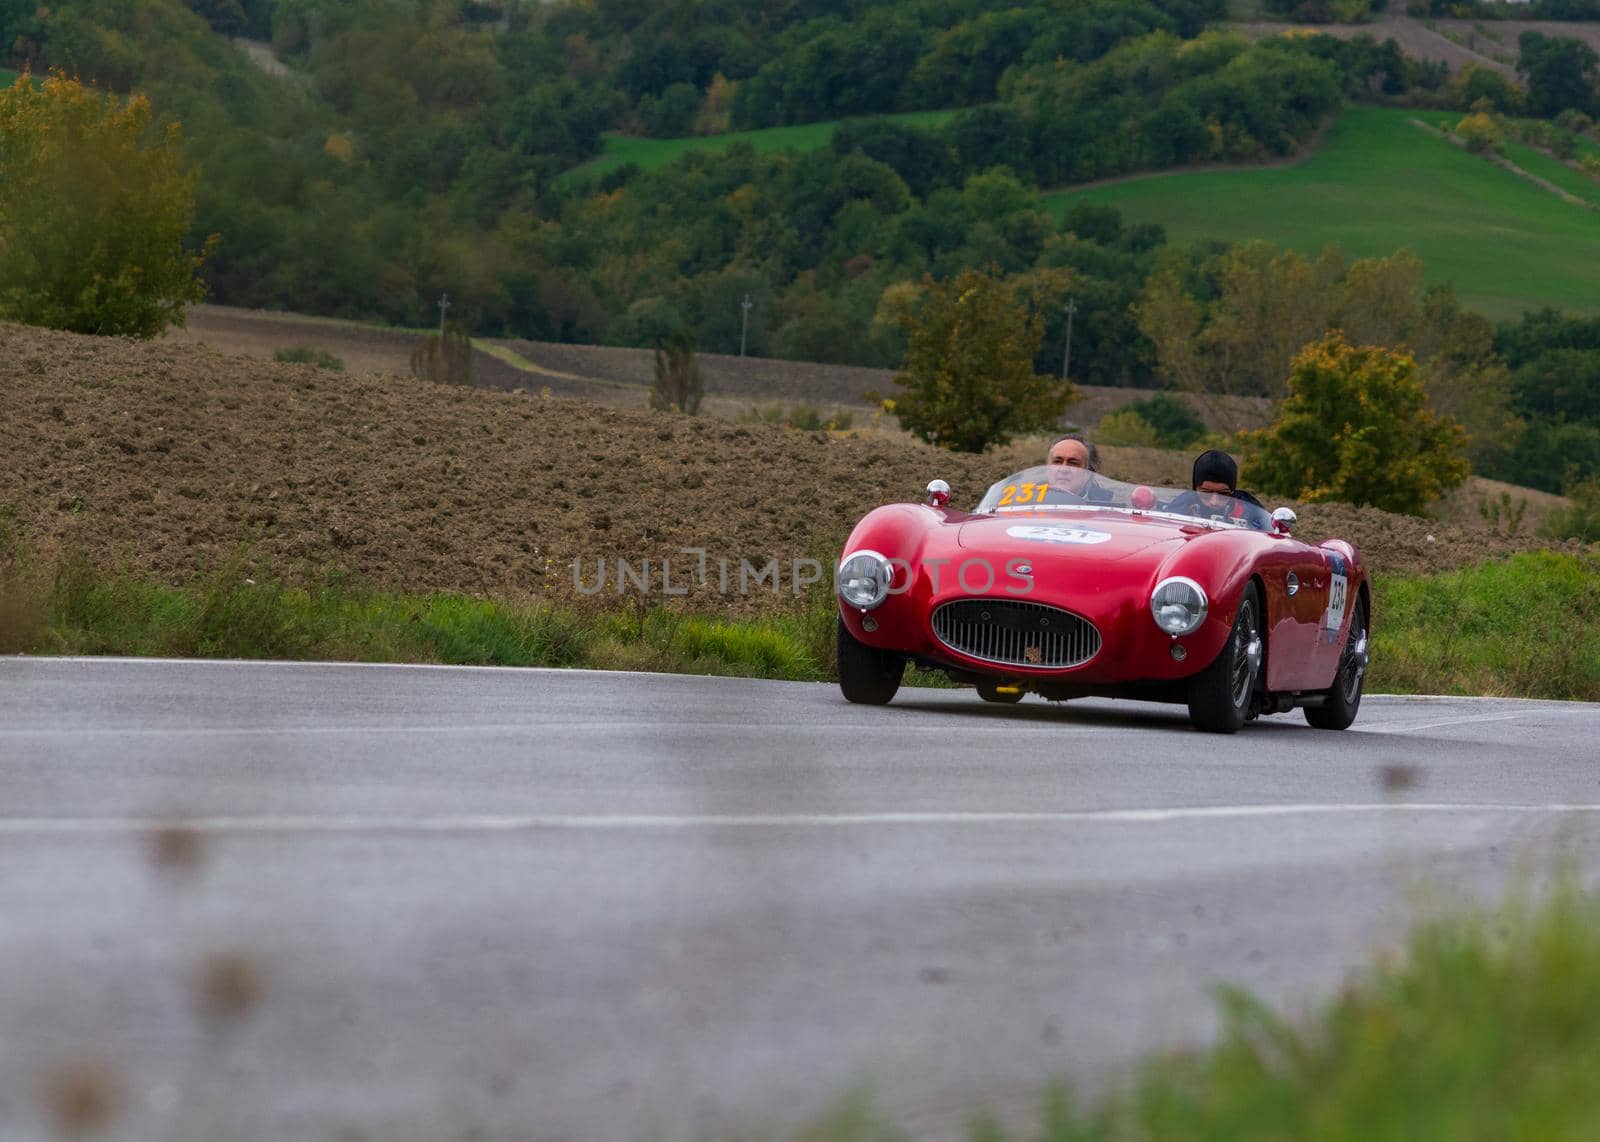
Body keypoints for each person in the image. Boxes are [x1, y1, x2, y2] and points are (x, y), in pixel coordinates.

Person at [1164, 449, 1265, 524]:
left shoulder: (1251, 512)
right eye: (1206, 493)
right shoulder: (1181, 507)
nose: (1214, 502)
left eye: (1224, 494)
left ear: (1232, 491)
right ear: (1195, 489)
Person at [1044, 433, 1112, 503]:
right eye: (1057, 461)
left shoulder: (1109, 504)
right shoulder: (1032, 497)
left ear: (1089, 471)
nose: (1063, 469)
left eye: (1073, 463)